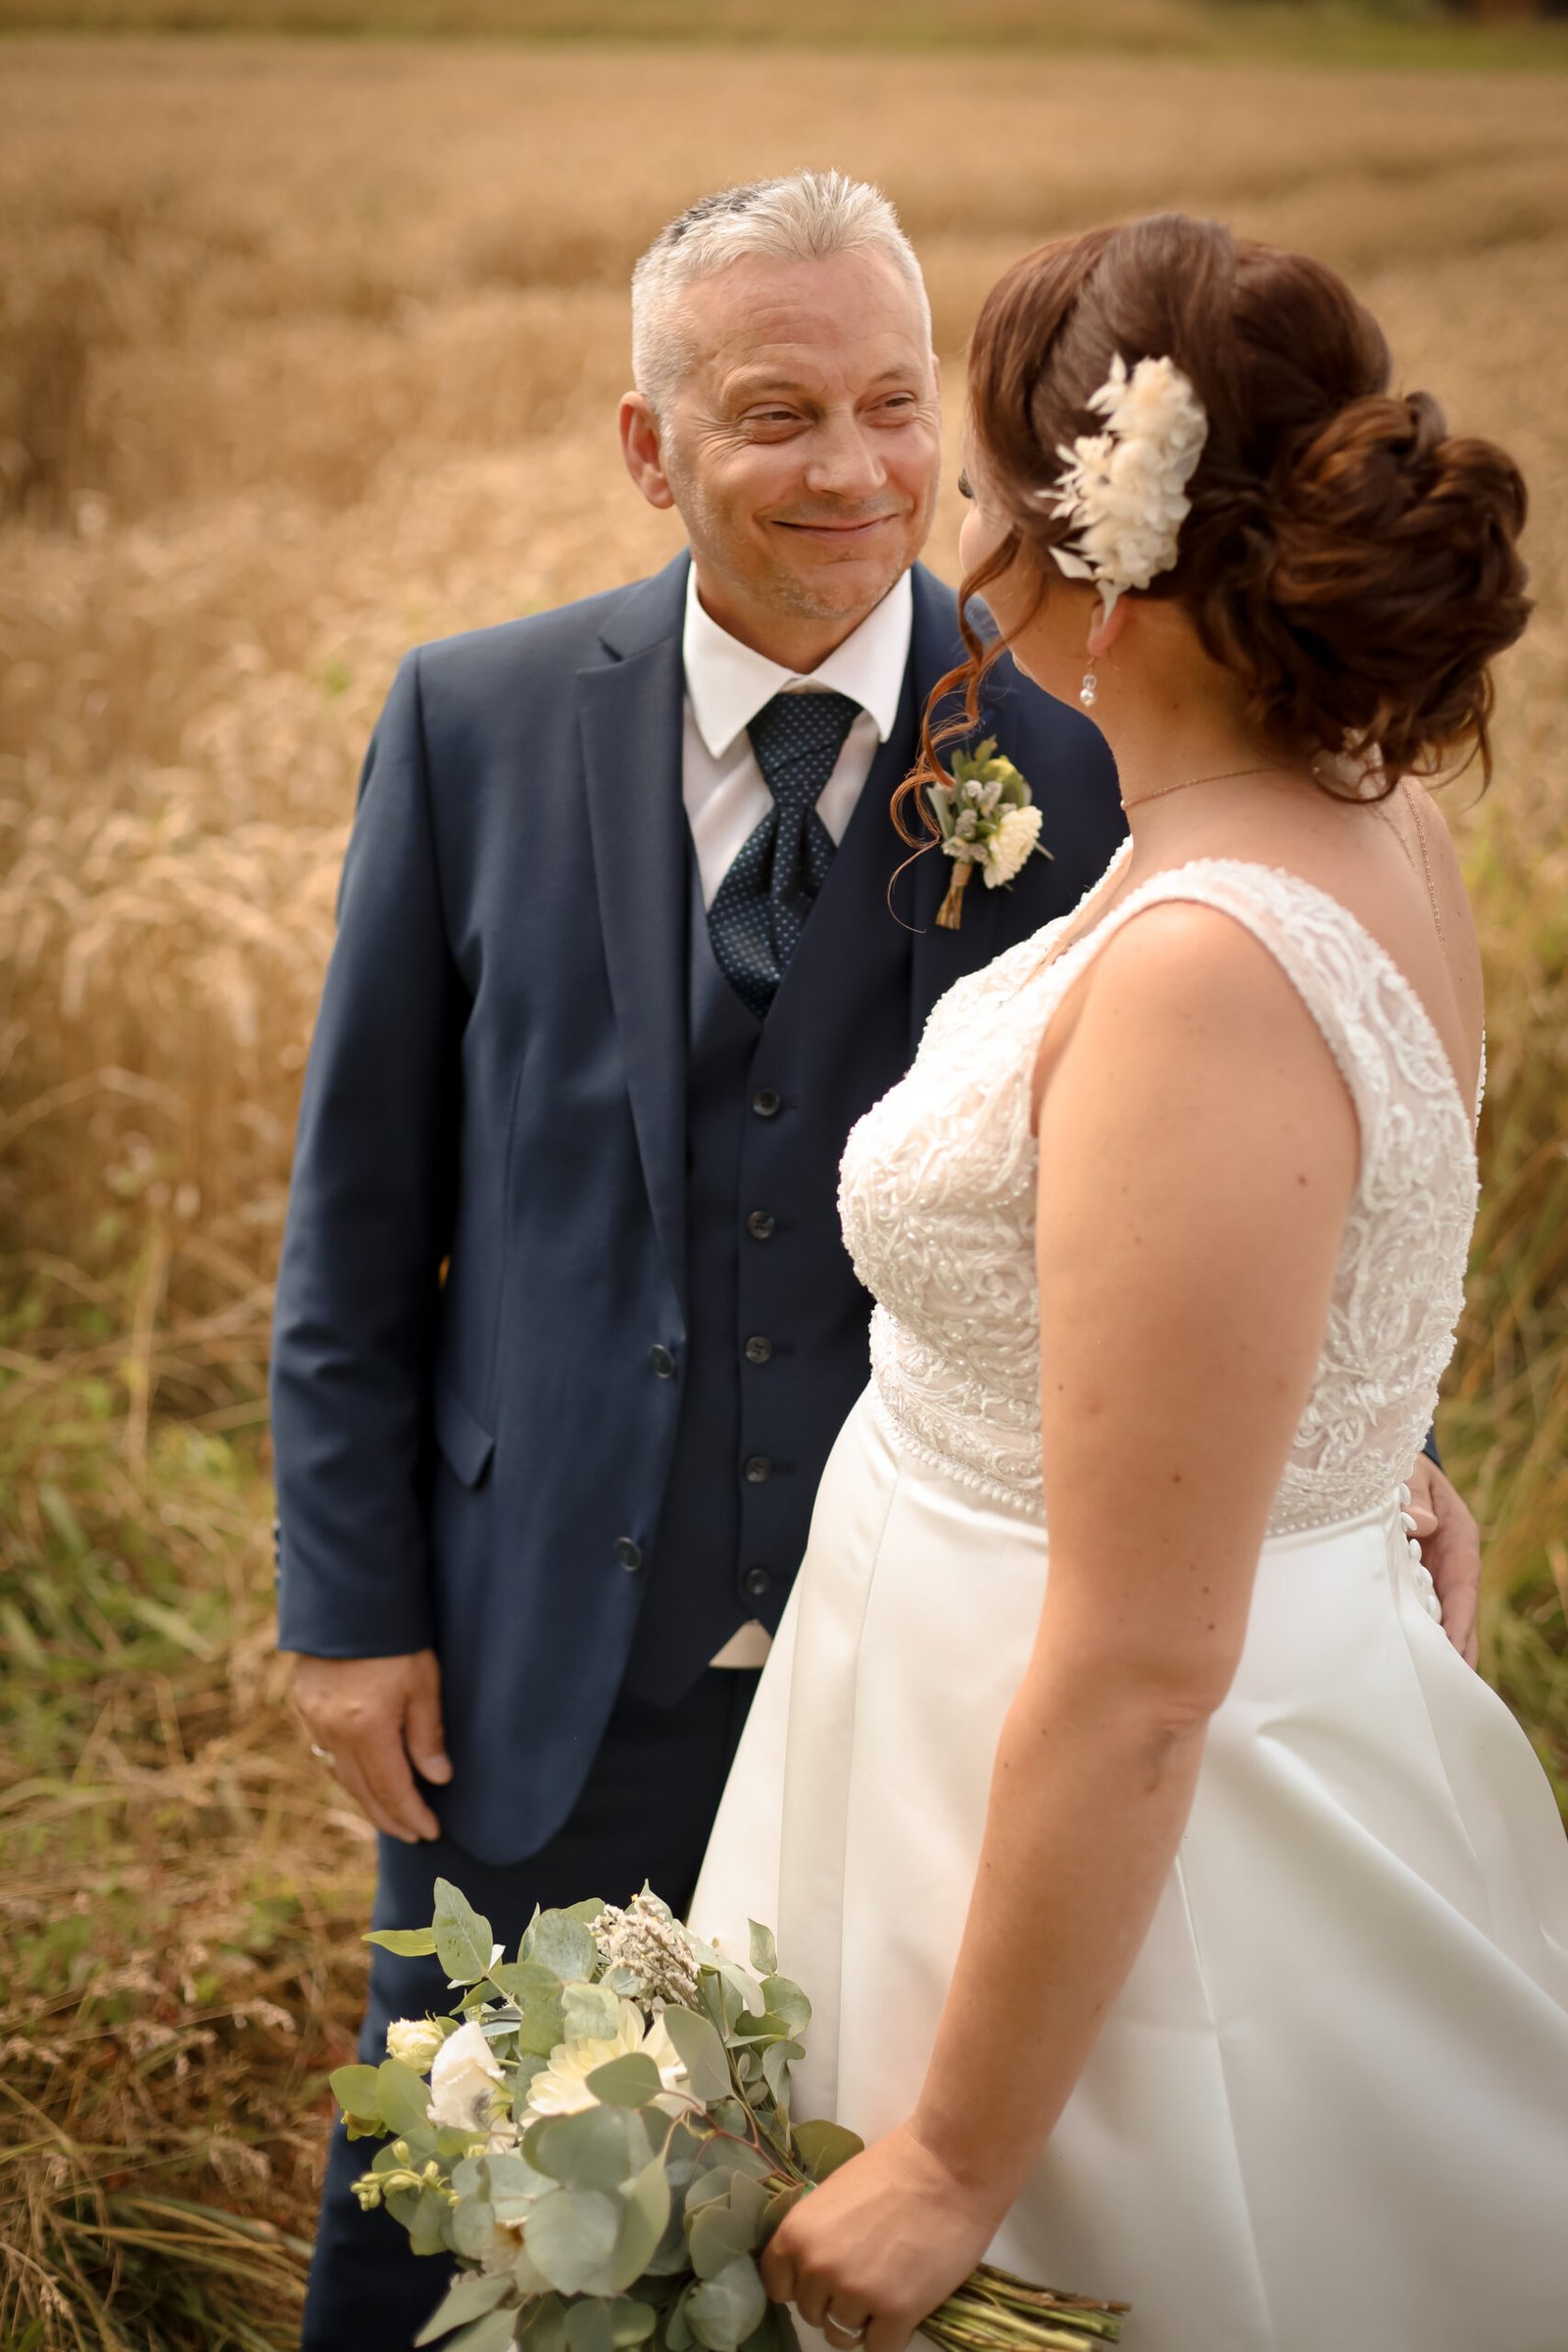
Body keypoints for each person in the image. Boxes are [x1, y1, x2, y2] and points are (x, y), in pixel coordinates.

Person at [271, 172, 1151, 2349]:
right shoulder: (467, 723)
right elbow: (360, 1210)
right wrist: (351, 1606)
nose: (849, 471)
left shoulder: (1080, 757)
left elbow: (1195, 1202)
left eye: (884, 402)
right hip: (526, 1662)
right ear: (648, 446)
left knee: (816, 2231)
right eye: (772, 413)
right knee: (444, 2200)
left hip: (919, 1676)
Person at [692, 214, 1568, 2352]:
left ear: (1103, 534)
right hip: (1030, 1694)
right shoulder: (1364, 823)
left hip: (1090, 1798)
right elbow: (1343, 1242)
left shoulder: (1200, 974)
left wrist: (953, 2163)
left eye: (985, 494)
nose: (954, 550)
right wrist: (1374, 1461)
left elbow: (1138, 1672)